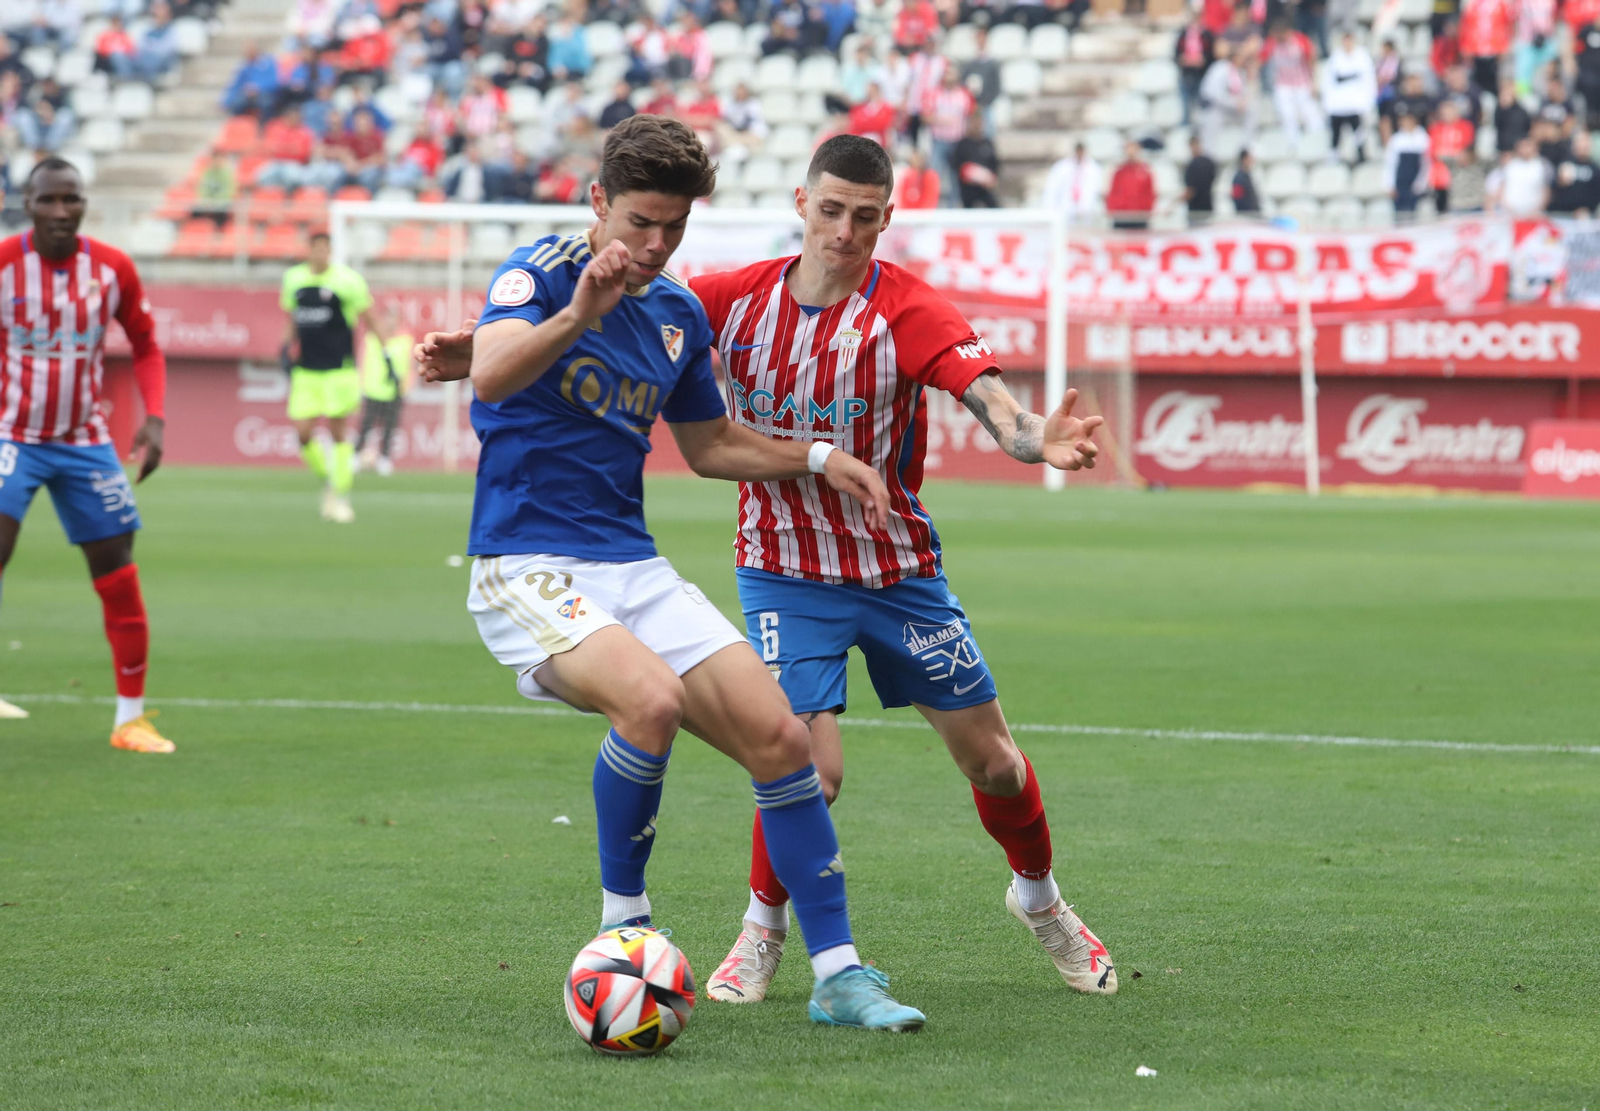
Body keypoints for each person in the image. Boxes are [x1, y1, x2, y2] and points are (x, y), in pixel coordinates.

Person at [413, 115, 928, 1032]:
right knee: (648, 703)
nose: (656, 245)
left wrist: (817, 457)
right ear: (598, 201)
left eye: (675, 227)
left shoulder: (679, 314)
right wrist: (578, 315)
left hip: (630, 565)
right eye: (641, 222)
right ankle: (625, 929)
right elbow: (488, 376)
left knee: (786, 742)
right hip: (524, 559)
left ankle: (842, 976)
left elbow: (710, 444)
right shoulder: (542, 272)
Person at [674, 135, 1113, 1004]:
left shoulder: (908, 309)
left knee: (992, 761)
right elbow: (623, 328)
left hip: (894, 568)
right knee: (804, 763)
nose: (845, 231)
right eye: (830, 210)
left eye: (864, 217)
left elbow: (995, 404)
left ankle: (1041, 900)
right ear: (803, 203)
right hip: (782, 566)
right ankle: (762, 930)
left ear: (887, 218)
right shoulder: (726, 299)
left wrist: (1035, 440)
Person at [0, 159, 173, 751]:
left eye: (70, 200)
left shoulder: (111, 268)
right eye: (48, 200)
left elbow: (147, 345)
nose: (59, 211)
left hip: (84, 440)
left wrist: (153, 417)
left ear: (83, 205)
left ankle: (130, 719)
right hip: (11, 433)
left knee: (118, 568)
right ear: (27, 203)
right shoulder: (4, 264)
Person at [279, 231, 389, 524]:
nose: (321, 254)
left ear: (330, 251)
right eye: (316, 249)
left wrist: (386, 352)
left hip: (339, 370)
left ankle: (340, 495)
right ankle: (329, 478)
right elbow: (291, 317)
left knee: (338, 432)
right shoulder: (294, 280)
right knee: (303, 433)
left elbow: (370, 316)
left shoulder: (348, 281)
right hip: (307, 371)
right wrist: (285, 346)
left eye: (325, 249)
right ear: (309, 250)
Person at [354, 306, 412, 476]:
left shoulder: (405, 341)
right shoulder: (371, 339)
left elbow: (410, 366)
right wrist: (361, 384)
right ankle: (356, 456)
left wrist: (406, 386)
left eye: (394, 319)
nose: (390, 322)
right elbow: (361, 361)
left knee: (390, 426)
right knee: (366, 425)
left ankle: (384, 458)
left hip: (395, 391)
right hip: (372, 390)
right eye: (387, 318)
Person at [1262, 19, 1322, 146]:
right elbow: (1261, 59)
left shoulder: (1300, 40)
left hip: (1302, 83)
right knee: (1287, 115)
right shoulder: (1272, 43)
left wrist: (1314, 82)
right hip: (1283, 86)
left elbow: (1311, 60)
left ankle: (1316, 143)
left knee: (1310, 114)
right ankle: (1293, 144)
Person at [1322, 29, 1377, 163]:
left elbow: (1369, 81)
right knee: (1336, 132)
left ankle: (1361, 155)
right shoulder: (1335, 58)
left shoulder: (1362, 57)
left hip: (1355, 104)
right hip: (1338, 104)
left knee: (1358, 131)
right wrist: (1327, 103)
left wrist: (1368, 102)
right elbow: (1328, 82)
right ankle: (1334, 156)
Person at [1040, 141, 1103, 224]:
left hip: (1086, 212)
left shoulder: (1094, 168)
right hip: (1065, 210)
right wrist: (1049, 210)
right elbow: (1052, 189)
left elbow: (1097, 191)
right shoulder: (1061, 167)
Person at [1486, 133, 1550, 213]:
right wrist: (1506, 207)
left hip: (1534, 214)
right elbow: (1501, 188)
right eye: (1522, 146)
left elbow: (1546, 191)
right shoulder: (1510, 165)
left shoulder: (1542, 165)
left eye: (1528, 146)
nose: (1525, 149)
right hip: (1509, 213)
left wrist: (1537, 209)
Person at [1385, 111, 1432, 217]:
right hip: (1400, 180)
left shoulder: (1424, 138)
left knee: (1414, 213)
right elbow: (1391, 163)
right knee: (1399, 213)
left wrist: (1421, 184)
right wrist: (1390, 184)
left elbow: (1426, 164)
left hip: (1415, 180)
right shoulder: (1396, 139)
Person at [950, 111, 1001, 208]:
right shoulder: (963, 144)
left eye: (979, 122)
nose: (977, 125)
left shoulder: (987, 143)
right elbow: (957, 165)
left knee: (996, 210)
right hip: (967, 189)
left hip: (985, 189)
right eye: (974, 122)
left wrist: (991, 178)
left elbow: (995, 163)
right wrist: (973, 175)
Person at [1175, 15, 1216, 126]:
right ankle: (1186, 123)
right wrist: (1184, 60)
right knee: (1186, 105)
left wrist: (1202, 60)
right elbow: (1176, 55)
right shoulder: (1182, 35)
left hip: (1202, 75)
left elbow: (1211, 56)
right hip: (1186, 74)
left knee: (1202, 106)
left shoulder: (1207, 35)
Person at [1548, 129, 1600, 215]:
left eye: (1585, 142)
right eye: (1580, 142)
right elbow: (1552, 187)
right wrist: (1560, 181)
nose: (1582, 146)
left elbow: (1597, 193)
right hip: (1561, 214)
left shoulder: (1595, 168)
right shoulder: (1564, 163)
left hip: (1584, 216)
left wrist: (1588, 208)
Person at [1106, 139, 1155, 229]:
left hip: (1140, 217)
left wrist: (1147, 211)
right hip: (1122, 217)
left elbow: (1150, 193)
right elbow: (1114, 192)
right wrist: (1112, 209)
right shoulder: (1119, 172)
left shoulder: (1145, 172)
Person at [1183, 134, 1218, 223]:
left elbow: (1190, 191)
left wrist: (1173, 204)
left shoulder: (1192, 165)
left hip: (1195, 212)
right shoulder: (1210, 162)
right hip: (1208, 209)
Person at [1231, 148, 1263, 213]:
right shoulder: (1239, 178)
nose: (1252, 160)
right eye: (1249, 158)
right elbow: (1238, 199)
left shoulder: (1247, 176)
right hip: (1246, 216)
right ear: (1244, 159)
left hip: (1253, 214)